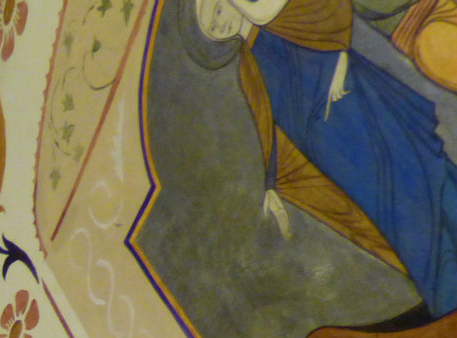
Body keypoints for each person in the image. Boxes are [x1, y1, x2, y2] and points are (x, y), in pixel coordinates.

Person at [192, 0, 457, 317]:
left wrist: (339, 62)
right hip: (330, 150)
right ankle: (450, 297)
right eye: (212, 29)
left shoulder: (281, 19)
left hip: (355, 105)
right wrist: (271, 184)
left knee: (420, 166)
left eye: (217, 12)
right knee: (391, 211)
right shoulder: (246, 69)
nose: (219, 24)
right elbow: (267, 125)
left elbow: (332, 15)